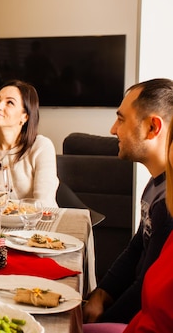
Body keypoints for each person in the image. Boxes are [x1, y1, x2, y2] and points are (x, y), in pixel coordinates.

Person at [83, 78, 173, 324]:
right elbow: (136, 247)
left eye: (121, 119)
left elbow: (146, 289)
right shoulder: (158, 184)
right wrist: (101, 293)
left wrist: (98, 324)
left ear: (153, 127)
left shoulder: (169, 205)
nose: (113, 129)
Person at [0, 80, 59, 207]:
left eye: (10, 102)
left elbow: (44, 202)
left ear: (25, 116)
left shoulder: (41, 147)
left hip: (35, 222)